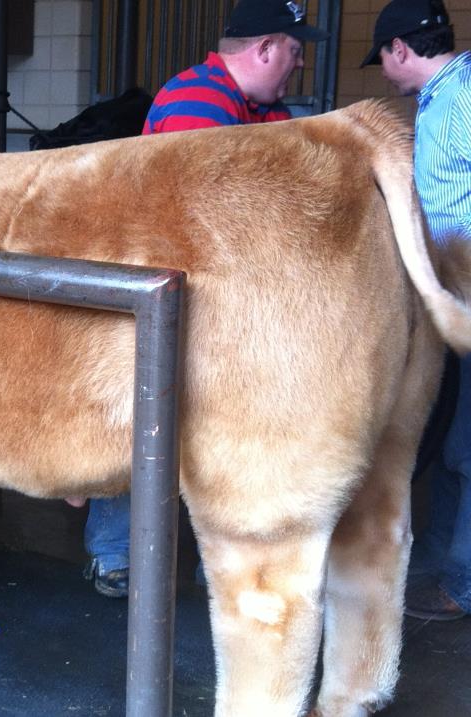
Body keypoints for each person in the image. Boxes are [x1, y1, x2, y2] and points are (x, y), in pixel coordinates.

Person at [83, 0, 328, 598]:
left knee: (186, 426)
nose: (297, 65)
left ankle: (193, 554)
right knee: (150, 420)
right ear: (266, 48)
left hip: (209, 301)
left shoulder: (256, 109)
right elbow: (213, 229)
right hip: (175, 297)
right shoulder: (201, 105)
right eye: (294, 52)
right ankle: (114, 552)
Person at [362, 0, 471, 621]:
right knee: (454, 433)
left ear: (401, 49)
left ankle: (461, 582)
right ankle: (439, 556)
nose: (381, 72)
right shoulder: (441, 101)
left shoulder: (462, 99)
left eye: (381, 57)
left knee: (467, 446)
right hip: (455, 295)